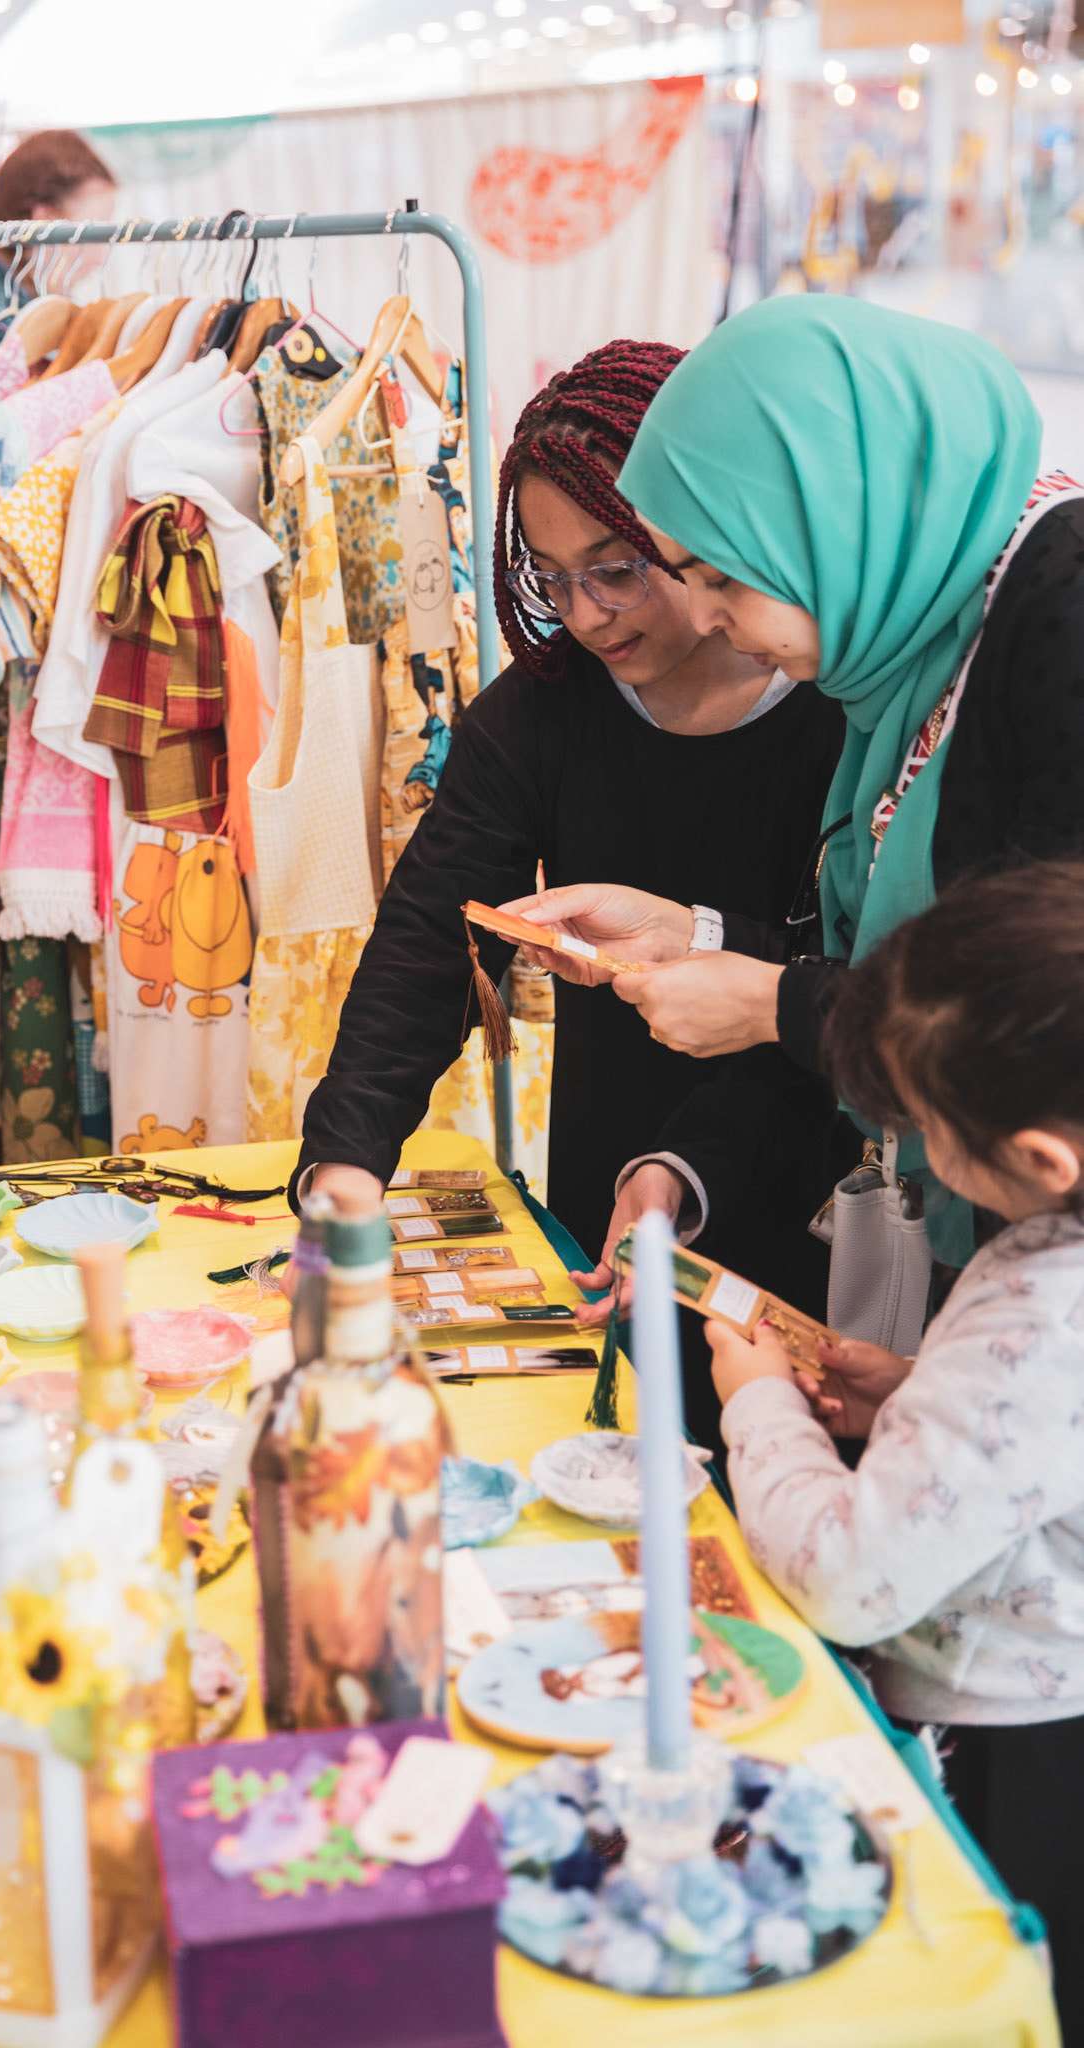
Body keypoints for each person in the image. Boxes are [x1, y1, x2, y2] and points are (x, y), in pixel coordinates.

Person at [292, 341, 847, 1442]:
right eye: (551, 578)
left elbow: (836, 974)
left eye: (616, 565)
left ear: (697, 529)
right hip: (609, 1189)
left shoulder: (839, 710)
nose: (587, 612)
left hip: (807, 1186)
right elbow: (428, 945)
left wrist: (688, 1162)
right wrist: (346, 1161)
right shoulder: (542, 713)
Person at [516, 294, 1084, 1267]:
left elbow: (1036, 1016)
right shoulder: (918, 658)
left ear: (836, 517)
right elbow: (879, 966)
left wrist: (771, 1007)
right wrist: (690, 935)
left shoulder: (1060, 622)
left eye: (723, 577)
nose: (704, 617)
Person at [705, 861, 1084, 2038]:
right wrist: (916, 1392)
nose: (915, 1152)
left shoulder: (1041, 1312)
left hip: (1012, 1749)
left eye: (925, 1129)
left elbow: (850, 1576)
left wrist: (757, 1398)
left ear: (1038, 1159)